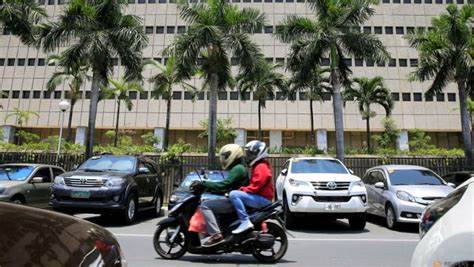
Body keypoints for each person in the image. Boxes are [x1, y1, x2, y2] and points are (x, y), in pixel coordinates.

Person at [190, 144, 249, 247]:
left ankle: (216, 235)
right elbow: (227, 187)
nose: (224, 158)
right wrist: (208, 189)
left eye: (226, 155)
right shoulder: (238, 168)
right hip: (235, 199)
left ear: (233, 155)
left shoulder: (238, 169)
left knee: (205, 205)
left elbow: (225, 184)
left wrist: (204, 184)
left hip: (235, 201)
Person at [229, 140, 274, 234]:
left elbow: (256, 185)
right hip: (261, 198)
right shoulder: (259, 165)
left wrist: (243, 190)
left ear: (258, 153)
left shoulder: (261, 166)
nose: (248, 156)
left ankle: (245, 221)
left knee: (234, 195)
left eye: (250, 154)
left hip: (263, 199)